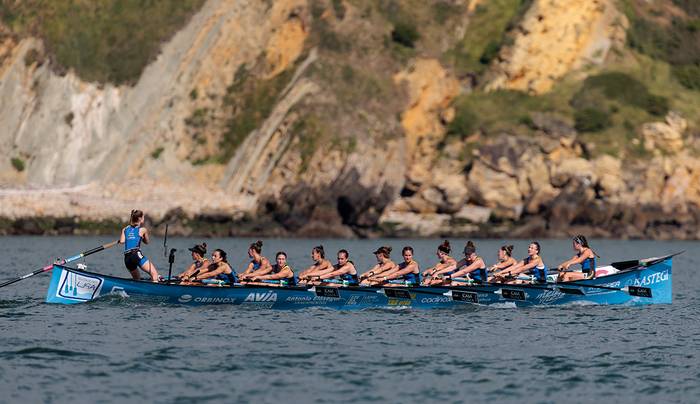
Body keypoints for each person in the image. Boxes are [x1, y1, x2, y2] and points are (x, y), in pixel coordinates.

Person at [119, 209, 160, 282]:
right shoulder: (143, 230)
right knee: (154, 274)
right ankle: (155, 291)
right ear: (140, 218)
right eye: (143, 217)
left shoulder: (125, 229)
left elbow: (122, 241)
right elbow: (147, 242)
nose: (143, 218)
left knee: (137, 280)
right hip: (136, 255)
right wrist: (142, 237)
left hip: (127, 258)